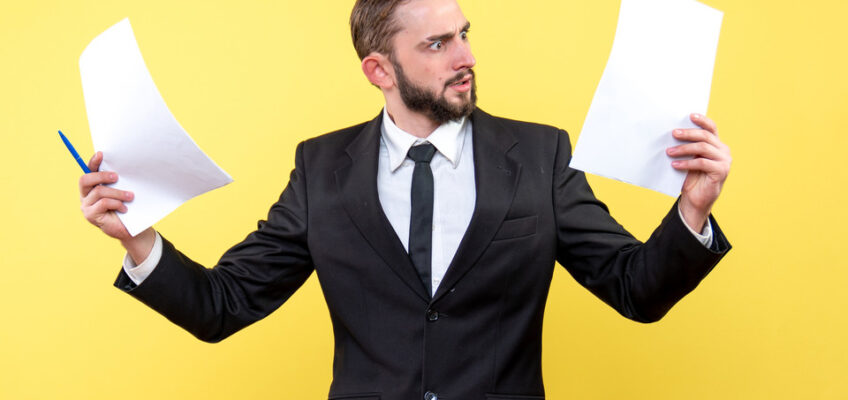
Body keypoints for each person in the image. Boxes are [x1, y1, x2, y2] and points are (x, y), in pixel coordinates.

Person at [78, 0, 732, 398]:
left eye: (465, 33)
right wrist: (135, 239)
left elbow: (636, 291)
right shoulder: (321, 168)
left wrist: (692, 211)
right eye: (438, 44)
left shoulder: (539, 156)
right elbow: (223, 306)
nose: (466, 56)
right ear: (379, 70)